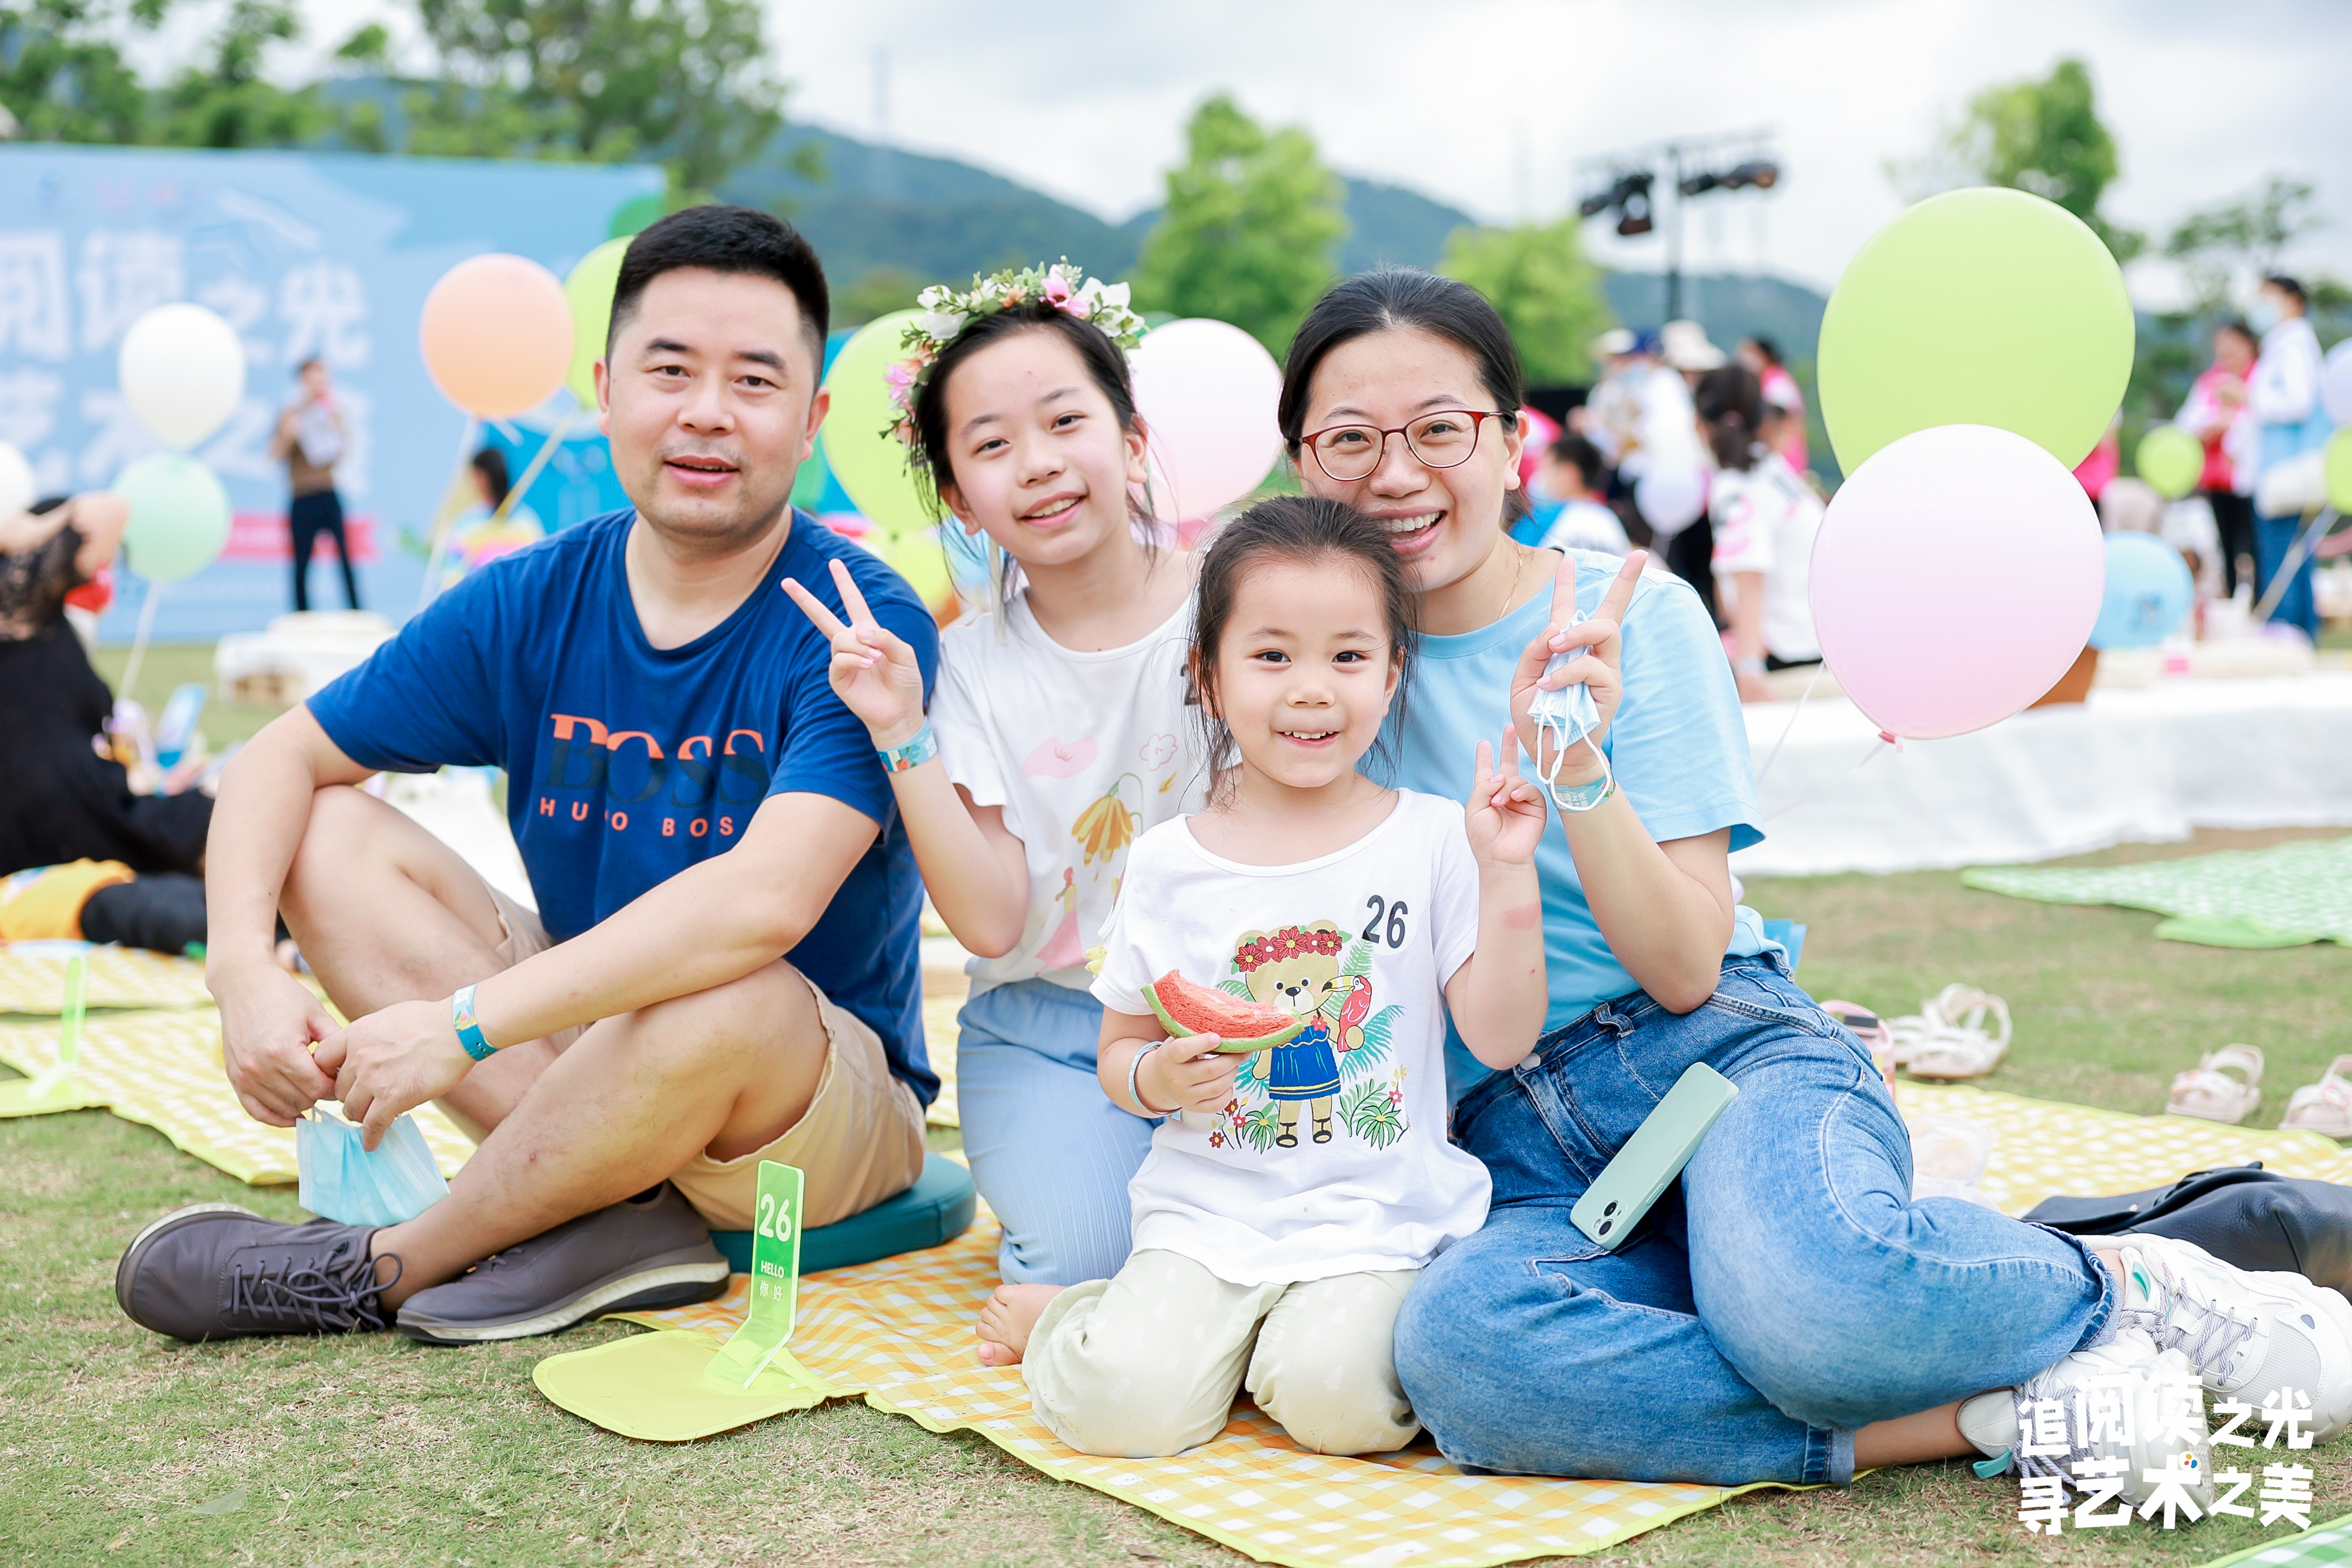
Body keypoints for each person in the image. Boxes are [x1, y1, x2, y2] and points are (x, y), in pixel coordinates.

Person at [1274, 268, 2352, 1502]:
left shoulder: (1631, 620)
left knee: (1812, 1302)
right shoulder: (1302, 675)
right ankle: (2012, 1400)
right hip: (1507, 1147)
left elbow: (1683, 961)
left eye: (1437, 430)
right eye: (1348, 439)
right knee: (1464, 1356)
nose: (1394, 472)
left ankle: (2132, 1283)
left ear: (1514, 444)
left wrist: (1574, 764)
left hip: (1704, 1057)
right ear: (1302, 466)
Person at [114, 205, 940, 1348]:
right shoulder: (533, 594)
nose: (706, 410)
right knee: (323, 830)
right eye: (669, 370)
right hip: (602, 1046)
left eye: (753, 380)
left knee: (729, 980)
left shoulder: (856, 616)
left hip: (800, 1089)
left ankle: (380, 1268)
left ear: (811, 420)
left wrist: (455, 1029)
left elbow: (763, 905)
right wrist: (244, 973)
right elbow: (277, 754)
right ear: (604, 390)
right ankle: (610, 1213)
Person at [977, 497, 1549, 1459]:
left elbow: (1500, 1039)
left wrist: (1506, 872)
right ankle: (1086, 1319)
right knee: (1121, 1408)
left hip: (1376, 1223)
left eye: (1350, 656)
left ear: (1393, 670)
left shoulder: (1434, 837)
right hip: (1208, 1218)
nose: (1313, 690)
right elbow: (1119, 1048)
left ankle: (1232, 1353)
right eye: (1273, 655)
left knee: (1344, 1407)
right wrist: (1152, 1079)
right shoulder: (1167, 863)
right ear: (1207, 675)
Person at [781, 259, 1202, 1324]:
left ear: (1133, 441)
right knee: (1082, 1265)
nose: (1040, 465)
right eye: (992, 444)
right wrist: (901, 733)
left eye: (1066, 421)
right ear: (960, 496)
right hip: (1050, 1031)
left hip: (1239, 1021)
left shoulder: (1244, 600)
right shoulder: (963, 670)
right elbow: (992, 916)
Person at [0, 492, 214, 883]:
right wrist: (21, 529)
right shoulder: (17, 607)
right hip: (58, 815)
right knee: (219, 814)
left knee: (209, 807)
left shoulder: (45, 622)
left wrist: (153, 782)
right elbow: (111, 508)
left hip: (76, 801)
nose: (104, 564)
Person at [1697, 366, 1823, 700]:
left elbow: (1749, 575)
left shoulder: (1737, 485)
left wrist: (1749, 668)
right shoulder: (1775, 470)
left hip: (1783, 656)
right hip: (1815, 645)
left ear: (1699, 423)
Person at [2247, 275, 2333, 641]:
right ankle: (2300, 635)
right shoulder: (2286, 343)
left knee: (2281, 557)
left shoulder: (2293, 344)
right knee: (2294, 557)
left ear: (2293, 300)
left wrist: (2249, 399)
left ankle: (2288, 635)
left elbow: (2297, 402)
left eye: (2269, 297)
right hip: (2285, 468)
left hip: (2286, 470)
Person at [2179, 319, 2259, 600]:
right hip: (2216, 477)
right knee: (2226, 542)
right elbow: (2186, 423)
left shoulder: (2260, 377)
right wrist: (2209, 429)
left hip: (2250, 477)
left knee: (2255, 542)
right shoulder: (2210, 381)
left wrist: (2233, 425)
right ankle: (2233, 597)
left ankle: (2260, 600)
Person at [273, 357, 360, 613]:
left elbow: (342, 453)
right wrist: (289, 434)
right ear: (302, 381)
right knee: (301, 563)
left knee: (345, 558)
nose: (318, 383)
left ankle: (356, 612)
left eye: (322, 377)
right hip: (301, 495)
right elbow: (275, 455)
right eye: (313, 377)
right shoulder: (291, 413)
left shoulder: (332, 410)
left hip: (328, 490)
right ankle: (301, 615)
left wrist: (337, 428)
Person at [441, 447, 546, 589]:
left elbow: (537, 569)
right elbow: (452, 575)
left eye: (476, 476)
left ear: (484, 476)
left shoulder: (525, 522)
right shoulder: (467, 523)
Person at [1522, 433, 1630, 557]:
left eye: (1545, 468)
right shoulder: (1611, 522)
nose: (1540, 477)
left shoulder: (1543, 517)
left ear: (1567, 473)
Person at [1736, 335, 1809, 474]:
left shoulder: (1778, 385)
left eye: (1750, 352)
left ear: (1764, 356)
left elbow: (1781, 425)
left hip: (1785, 460)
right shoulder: (1768, 382)